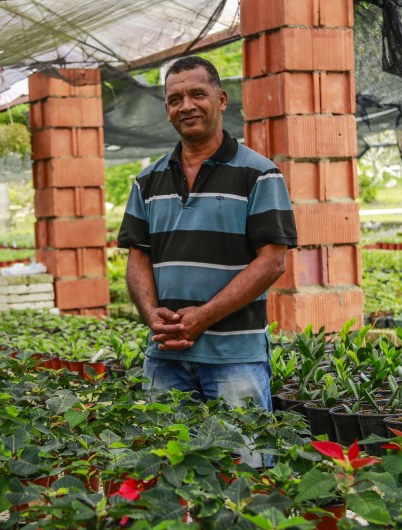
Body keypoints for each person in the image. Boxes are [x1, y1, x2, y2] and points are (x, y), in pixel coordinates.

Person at [117, 55, 297, 415]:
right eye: (174, 100)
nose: (186, 106)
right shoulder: (148, 181)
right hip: (165, 357)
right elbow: (138, 257)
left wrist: (205, 316)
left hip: (235, 358)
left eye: (197, 94)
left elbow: (272, 262)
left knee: (246, 461)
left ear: (221, 99)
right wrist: (151, 315)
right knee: (167, 463)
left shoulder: (259, 174)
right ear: (167, 110)